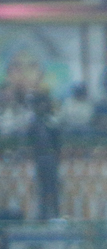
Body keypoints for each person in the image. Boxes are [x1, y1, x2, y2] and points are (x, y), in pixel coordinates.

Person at [28, 92, 61, 220]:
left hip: (50, 157)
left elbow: (57, 141)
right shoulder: (33, 122)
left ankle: (56, 214)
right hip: (39, 157)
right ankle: (43, 215)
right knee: (41, 187)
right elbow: (30, 140)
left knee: (53, 187)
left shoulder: (51, 121)